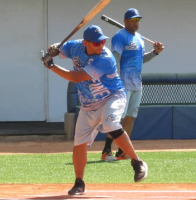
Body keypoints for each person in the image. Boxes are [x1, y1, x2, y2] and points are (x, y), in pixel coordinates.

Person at [41, 25, 148, 195]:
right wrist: (53, 49)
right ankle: (79, 182)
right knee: (79, 143)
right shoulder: (75, 46)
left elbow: (76, 77)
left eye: (103, 41)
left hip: (112, 97)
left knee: (110, 123)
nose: (101, 45)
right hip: (88, 104)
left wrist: (51, 66)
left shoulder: (105, 58)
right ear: (86, 43)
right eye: (97, 43)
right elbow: (57, 47)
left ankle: (137, 162)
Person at [101, 8, 164, 161]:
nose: (136, 23)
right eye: (133, 20)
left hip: (136, 84)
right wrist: (115, 81)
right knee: (116, 119)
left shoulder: (139, 38)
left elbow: (141, 59)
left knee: (130, 117)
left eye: (138, 20)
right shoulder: (119, 37)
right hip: (123, 83)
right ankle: (106, 151)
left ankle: (122, 151)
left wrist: (155, 52)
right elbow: (114, 59)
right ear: (126, 21)